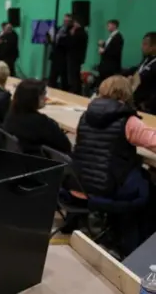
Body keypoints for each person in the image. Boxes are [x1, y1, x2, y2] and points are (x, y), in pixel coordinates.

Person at [71, 76, 155, 255]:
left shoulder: (86, 115)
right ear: (126, 94)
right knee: (146, 187)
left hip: (78, 185)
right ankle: (135, 247)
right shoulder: (128, 121)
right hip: (106, 189)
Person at [3, 79, 71, 156]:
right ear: (31, 98)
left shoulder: (11, 114)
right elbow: (66, 146)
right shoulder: (40, 122)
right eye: (42, 95)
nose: (46, 98)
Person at [129, 32, 156, 114]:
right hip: (137, 103)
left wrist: (146, 104)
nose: (142, 47)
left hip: (148, 108)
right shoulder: (147, 59)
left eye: (145, 44)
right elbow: (137, 70)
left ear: (154, 47)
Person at [49, 14, 72, 91]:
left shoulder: (70, 31)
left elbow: (67, 43)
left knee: (64, 78)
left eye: (67, 21)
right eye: (64, 20)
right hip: (55, 56)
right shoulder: (58, 28)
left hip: (64, 57)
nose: (65, 22)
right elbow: (51, 39)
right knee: (52, 77)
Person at [97, 19, 124, 87]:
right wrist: (103, 44)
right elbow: (110, 48)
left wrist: (103, 51)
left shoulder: (118, 37)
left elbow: (115, 52)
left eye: (109, 25)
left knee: (108, 86)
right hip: (106, 66)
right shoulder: (112, 37)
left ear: (114, 25)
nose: (107, 27)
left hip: (110, 68)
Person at [66, 17, 89, 95]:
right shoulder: (84, 33)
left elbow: (72, 44)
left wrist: (72, 35)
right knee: (76, 74)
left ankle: (74, 90)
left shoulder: (78, 33)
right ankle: (77, 89)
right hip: (79, 57)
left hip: (74, 57)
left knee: (73, 74)